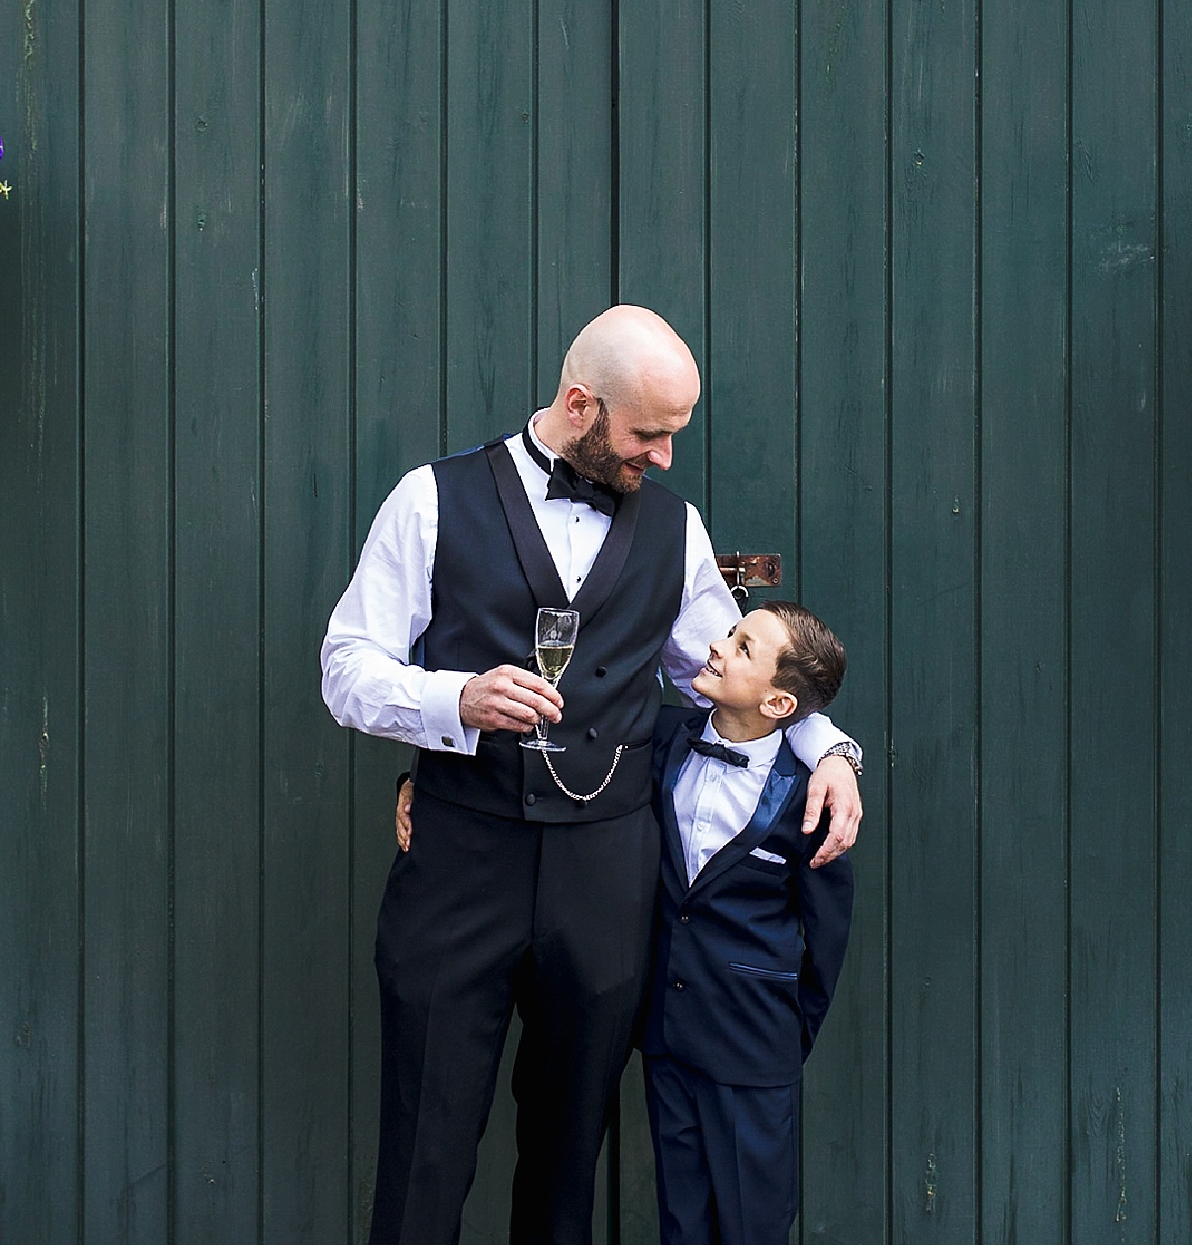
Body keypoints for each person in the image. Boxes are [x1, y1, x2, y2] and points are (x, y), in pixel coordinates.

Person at [320, 304, 864, 1243]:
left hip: (606, 881)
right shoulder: (429, 499)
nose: (662, 458)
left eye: (673, 434)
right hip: (460, 864)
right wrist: (453, 699)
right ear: (579, 405)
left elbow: (720, 679)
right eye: (648, 434)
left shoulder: (676, 530)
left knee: (571, 1153)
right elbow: (345, 665)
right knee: (425, 1144)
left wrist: (829, 747)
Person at [639, 601, 854, 1244]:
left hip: (753, 1046)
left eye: (742, 648)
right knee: (682, 1221)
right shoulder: (662, 740)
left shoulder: (810, 794)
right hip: (665, 1037)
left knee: (751, 1227)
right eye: (730, 634)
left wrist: (782, 1037)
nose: (717, 648)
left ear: (779, 704)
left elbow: (828, 939)